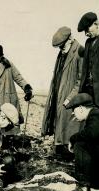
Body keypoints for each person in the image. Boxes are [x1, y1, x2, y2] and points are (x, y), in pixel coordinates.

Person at [41, 26, 83, 161]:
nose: (60, 49)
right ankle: (59, 151)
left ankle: (69, 155)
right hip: (58, 94)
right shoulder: (62, 54)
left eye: (62, 46)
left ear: (70, 39)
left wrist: (71, 98)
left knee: (69, 127)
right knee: (57, 122)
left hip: (70, 97)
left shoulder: (80, 52)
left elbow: (80, 80)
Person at [0, 44, 33, 124]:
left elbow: (18, 77)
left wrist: (27, 88)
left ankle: (7, 136)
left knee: (8, 122)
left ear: (2, 55)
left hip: (7, 99)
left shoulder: (9, 65)